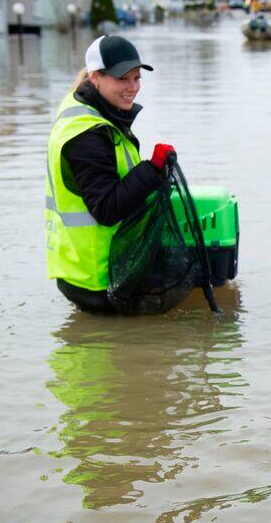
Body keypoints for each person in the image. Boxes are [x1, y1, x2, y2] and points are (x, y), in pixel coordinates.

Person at [45, 35, 176, 314]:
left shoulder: (94, 111)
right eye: (122, 79)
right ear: (96, 78)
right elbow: (106, 208)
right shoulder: (86, 135)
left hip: (100, 267)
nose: (132, 88)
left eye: (136, 78)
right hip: (98, 277)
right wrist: (151, 169)